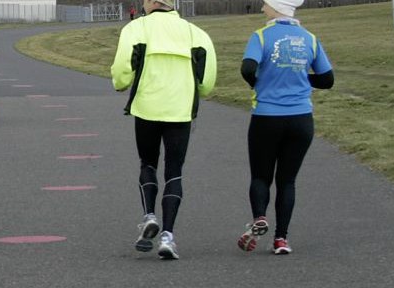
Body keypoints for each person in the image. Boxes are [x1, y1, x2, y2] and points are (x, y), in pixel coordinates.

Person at [110, 0, 217, 260]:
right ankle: (168, 235)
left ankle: (148, 216)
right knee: (174, 171)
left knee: (148, 163)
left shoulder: (137, 28)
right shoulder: (196, 33)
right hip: (179, 110)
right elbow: (207, 81)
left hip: (147, 107)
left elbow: (123, 72)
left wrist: (121, 83)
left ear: (151, 2)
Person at [236, 0, 333, 255]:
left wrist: (260, 81)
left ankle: (259, 217)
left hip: (267, 117)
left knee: (261, 176)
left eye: (265, 4)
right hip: (301, 119)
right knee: (287, 180)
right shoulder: (310, 38)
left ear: (277, 6)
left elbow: (247, 67)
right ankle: (281, 239)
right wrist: (300, 76)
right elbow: (327, 79)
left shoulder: (261, 36)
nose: (261, 8)